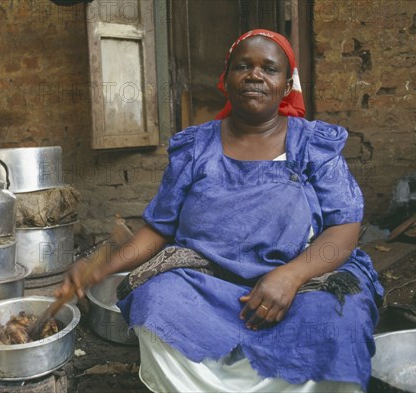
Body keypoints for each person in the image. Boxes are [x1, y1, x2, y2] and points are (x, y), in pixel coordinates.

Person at [58, 29, 384, 392]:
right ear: (226, 80)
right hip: (207, 281)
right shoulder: (196, 146)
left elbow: (344, 228)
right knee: (156, 301)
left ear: (286, 84)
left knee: (340, 317)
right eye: (243, 66)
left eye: (269, 68)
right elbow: (160, 229)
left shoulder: (312, 145)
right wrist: (99, 268)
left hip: (301, 282)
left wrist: (290, 277)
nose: (255, 75)